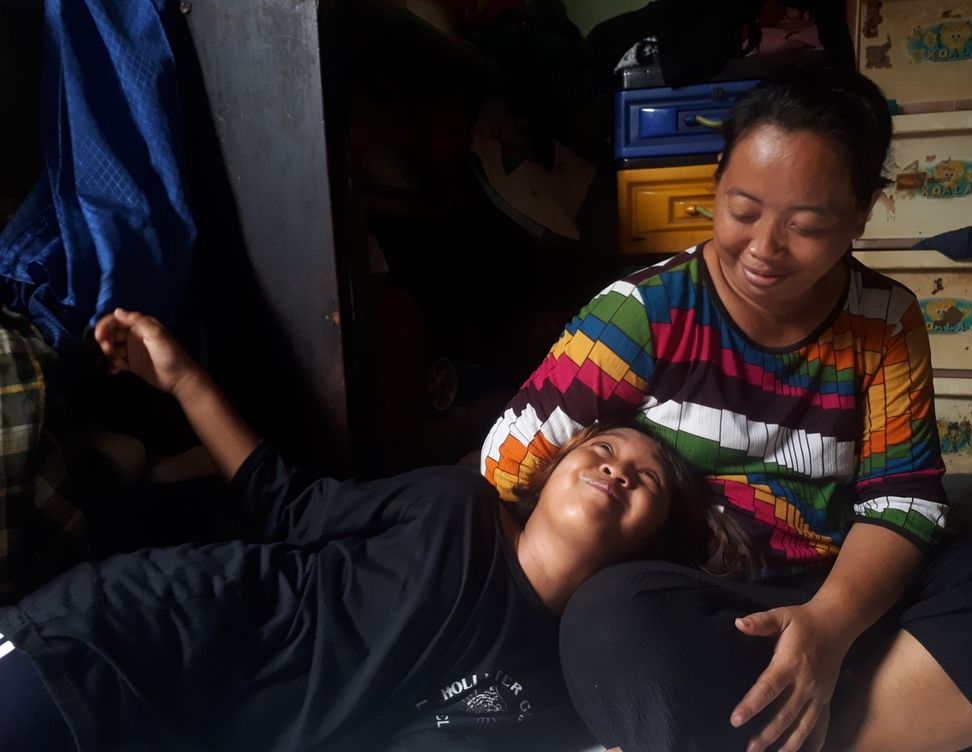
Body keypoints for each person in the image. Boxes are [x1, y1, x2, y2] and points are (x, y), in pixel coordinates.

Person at [481, 63, 972, 752]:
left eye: (807, 226)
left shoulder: (884, 320)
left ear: (863, 212)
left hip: (841, 594)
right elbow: (508, 459)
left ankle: (806, 716)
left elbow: (901, 500)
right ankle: (864, 714)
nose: (764, 250)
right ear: (716, 179)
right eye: (743, 211)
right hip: (701, 606)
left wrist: (827, 627)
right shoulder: (643, 314)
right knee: (612, 624)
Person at [0, 308, 750, 752]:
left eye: (645, 478)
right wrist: (184, 379)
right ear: (551, 471)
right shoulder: (456, 505)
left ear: (655, 548)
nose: (617, 469)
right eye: (605, 449)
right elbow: (288, 505)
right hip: (134, 638)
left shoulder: (564, 684)